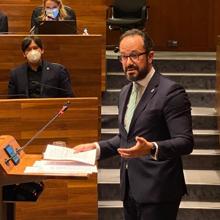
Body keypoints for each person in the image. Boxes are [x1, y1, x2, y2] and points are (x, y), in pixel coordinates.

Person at [74, 29, 194, 220]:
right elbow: (125, 138)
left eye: (135, 55)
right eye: (123, 56)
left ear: (150, 56)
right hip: (130, 188)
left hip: (159, 192)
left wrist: (151, 148)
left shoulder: (171, 92)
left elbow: (185, 142)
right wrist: (95, 148)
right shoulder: (125, 93)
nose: (128, 62)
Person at [8, 36, 73, 98]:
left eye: (35, 48)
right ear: (24, 54)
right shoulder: (16, 74)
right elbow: (12, 102)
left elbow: (69, 97)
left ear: (42, 50)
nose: (33, 52)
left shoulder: (58, 71)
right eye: (28, 49)